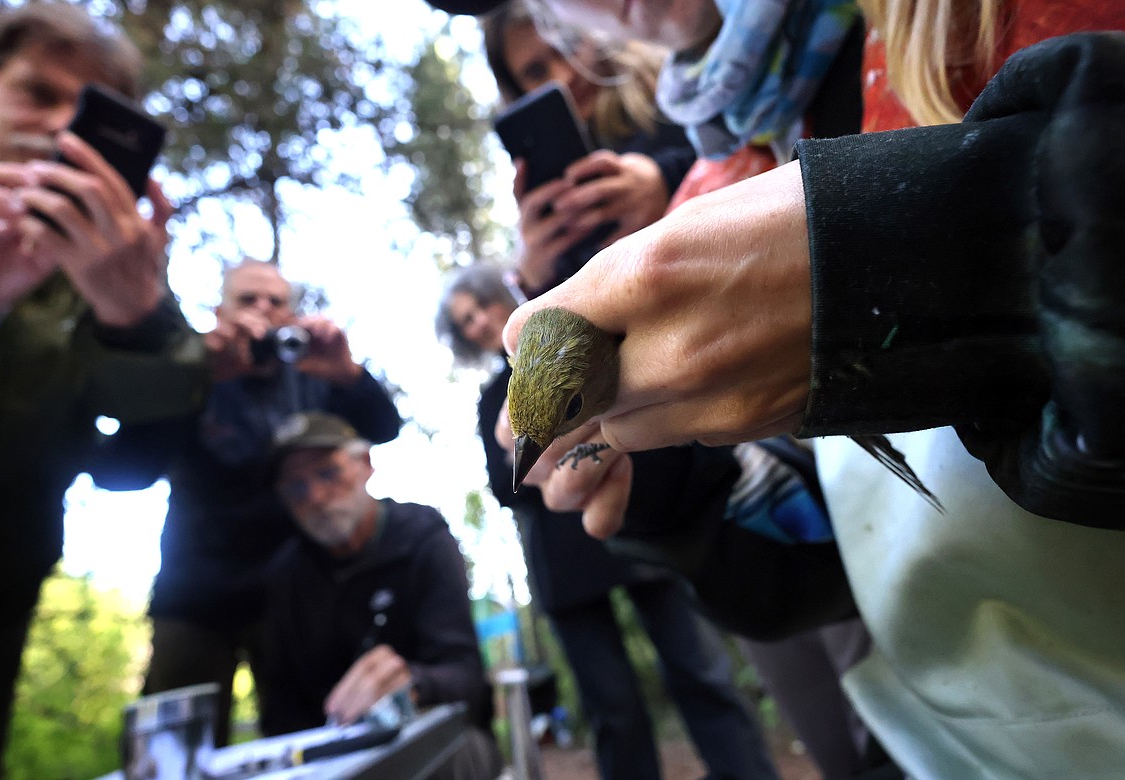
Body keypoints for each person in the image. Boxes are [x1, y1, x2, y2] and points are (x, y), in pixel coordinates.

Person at [434, 0, 1125, 775]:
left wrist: (910, 255)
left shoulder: (992, 20)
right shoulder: (713, 186)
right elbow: (858, 553)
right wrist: (685, 491)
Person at [0, 4, 208, 777]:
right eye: (38, 93)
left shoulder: (109, 262)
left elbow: (136, 460)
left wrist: (134, 323)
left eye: (89, 111)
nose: (62, 128)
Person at [439, 263, 783, 780]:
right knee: (612, 705)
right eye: (464, 322)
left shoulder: (589, 332)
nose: (478, 324)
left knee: (701, 672)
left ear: (499, 297)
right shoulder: (492, 401)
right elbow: (504, 487)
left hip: (641, 533)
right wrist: (540, 466)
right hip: (565, 563)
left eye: (479, 308)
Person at [92, 258, 403, 747]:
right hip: (195, 597)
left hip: (290, 596)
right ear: (219, 311)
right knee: (175, 751)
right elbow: (123, 473)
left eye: (276, 301)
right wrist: (192, 378)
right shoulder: (194, 373)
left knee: (306, 738)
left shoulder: (312, 376)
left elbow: (384, 428)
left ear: (292, 315)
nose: (263, 310)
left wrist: (346, 374)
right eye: (248, 300)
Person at [261, 410, 502, 780]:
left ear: (365, 464)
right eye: (296, 488)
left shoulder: (422, 539)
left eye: (328, 472)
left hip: (434, 742)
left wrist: (414, 683)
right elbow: (279, 713)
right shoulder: (285, 576)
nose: (317, 497)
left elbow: (468, 681)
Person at [482, 0, 697, 298]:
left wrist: (665, 180)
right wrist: (535, 278)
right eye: (536, 72)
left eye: (568, 45)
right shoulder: (550, 186)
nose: (564, 74)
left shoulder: (677, 79)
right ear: (518, 91)